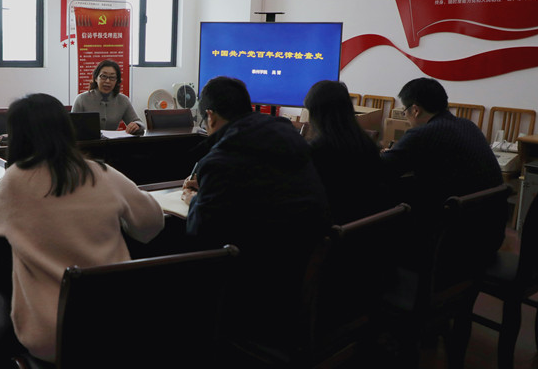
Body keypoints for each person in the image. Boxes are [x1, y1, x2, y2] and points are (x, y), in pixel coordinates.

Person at [0, 93, 164, 363]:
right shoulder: (100, 172)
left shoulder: (13, 182)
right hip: (117, 326)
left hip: (51, 337)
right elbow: (153, 221)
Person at [181, 76, 330, 350]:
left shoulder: (221, 159)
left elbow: (199, 233)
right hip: (311, 271)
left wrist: (194, 199)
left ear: (210, 116)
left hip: (260, 286)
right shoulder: (289, 135)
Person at [380, 77, 502, 211]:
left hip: (456, 215)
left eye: (404, 112)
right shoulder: (468, 125)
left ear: (415, 110)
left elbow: (381, 169)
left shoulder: (422, 134)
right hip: (491, 212)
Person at [303, 80, 393, 224]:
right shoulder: (366, 142)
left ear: (316, 113)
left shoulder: (318, 149)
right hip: (363, 224)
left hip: (333, 226)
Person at [71, 60, 144, 134]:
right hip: (88, 141)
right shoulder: (81, 99)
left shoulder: (123, 100)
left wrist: (137, 125)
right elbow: (71, 127)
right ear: (96, 78)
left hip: (112, 141)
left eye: (112, 77)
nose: (108, 81)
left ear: (116, 81)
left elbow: (138, 122)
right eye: (103, 76)